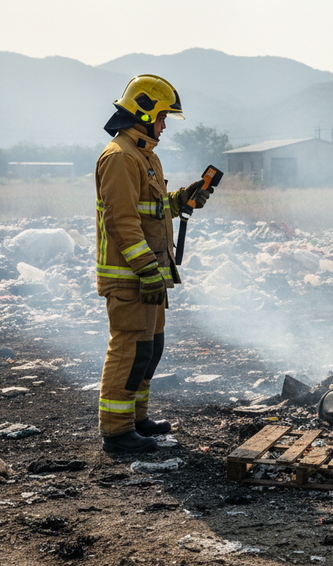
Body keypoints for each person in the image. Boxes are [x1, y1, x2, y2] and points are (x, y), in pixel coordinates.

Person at [95, 74, 212, 453]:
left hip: (149, 278)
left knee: (149, 349)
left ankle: (136, 420)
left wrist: (182, 199)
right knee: (129, 351)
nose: (164, 126)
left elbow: (152, 210)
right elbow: (122, 221)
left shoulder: (145, 156)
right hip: (132, 277)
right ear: (143, 113)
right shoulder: (120, 157)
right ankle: (116, 431)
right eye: (162, 117)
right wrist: (146, 270)